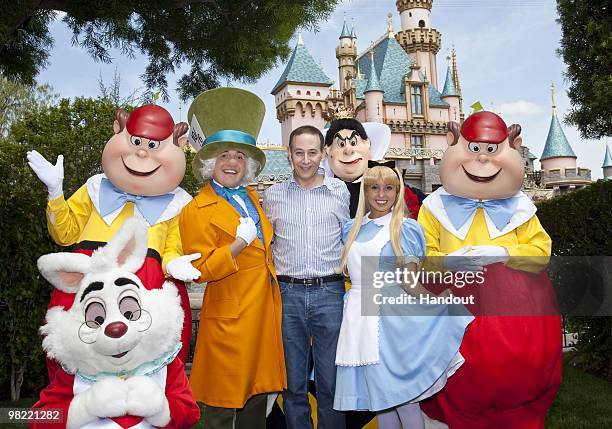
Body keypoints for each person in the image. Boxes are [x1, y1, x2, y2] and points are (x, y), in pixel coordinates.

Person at [417, 111, 562, 429]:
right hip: (457, 320)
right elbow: (420, 257)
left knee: (518, 389)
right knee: (459, 389)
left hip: (516, 323)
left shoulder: (521, 207)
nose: (482, 160)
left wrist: (504, 253)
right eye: (474, 149)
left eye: (493, 149)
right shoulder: (434, 207)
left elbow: (541, 252)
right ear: (452, 144)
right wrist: (448, 262)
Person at [26, 104, 198, 368]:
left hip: (147, 284)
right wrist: (55, 192)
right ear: (118, 131)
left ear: (179, 145)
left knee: (145, 364)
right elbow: (64, 234)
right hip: (87, 278)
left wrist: (174, 263)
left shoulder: (178, 203)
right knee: (80, 355)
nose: (141, 151)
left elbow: (173, 246)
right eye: (136, 141)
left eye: (153, 145)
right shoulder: (95, 187)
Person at [333, 161, 473, 429]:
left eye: (389, 188)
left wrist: (436, 300)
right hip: (358, 320)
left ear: (397, 193)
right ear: (365, 191)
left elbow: (409, 282)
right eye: (374, 187)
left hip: (393, 322)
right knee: (382, 401)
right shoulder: (351, 228)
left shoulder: (403, 228)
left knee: (403, 399)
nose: (381, 194)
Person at [179, 87, 286, 429]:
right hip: (230, 316)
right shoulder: (196, 209)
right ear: (211, 163)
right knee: (223, 405)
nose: (231, 163)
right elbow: (198, 270)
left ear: (248, 165)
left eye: (239, 157)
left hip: (263, 313)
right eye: (224, 156)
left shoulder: (253, 199)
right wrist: (236, 246)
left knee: (257, 398)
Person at [264, 125, 349, 429]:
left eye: (312, 152)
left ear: (323, 153)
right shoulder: (273, 196)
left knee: (331, 382)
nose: (305, 160)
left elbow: (352, 239)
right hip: (288, 295)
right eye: (298, 152)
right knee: (293, 382)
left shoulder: (340, 192)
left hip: (330, 292)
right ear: (289, 155)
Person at [323, 118, 423, 219]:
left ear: (367, 143)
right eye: (341, 144)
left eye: (353, 142)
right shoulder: (321, 191)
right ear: (328, 150)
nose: (348, 150)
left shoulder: (398, 189)